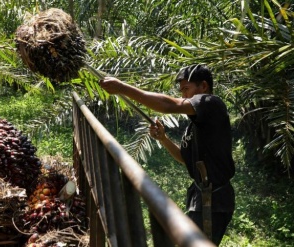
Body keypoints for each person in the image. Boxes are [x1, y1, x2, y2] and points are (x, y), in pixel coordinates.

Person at [99, 64, 235, 246]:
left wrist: (122, 88)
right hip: (201, 196)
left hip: (214, 200)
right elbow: (183, 158)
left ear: (203, 86)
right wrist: (163, 139)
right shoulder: (197, 124)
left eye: (186, 89)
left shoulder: (211, 103)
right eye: (181, 91)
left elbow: (169, 105)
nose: (183, 96)